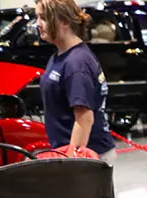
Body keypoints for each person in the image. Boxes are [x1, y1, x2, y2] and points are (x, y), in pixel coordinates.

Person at [36, 0, 116, 163]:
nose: (38, 24)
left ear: (64, 21)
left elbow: (84, 118)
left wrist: (73, 163)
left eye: (43, 18)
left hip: (88, 158)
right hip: (69, 153)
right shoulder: (60, 56)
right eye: (37, 17)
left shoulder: (77, 63)